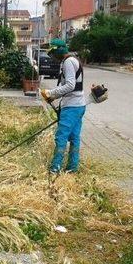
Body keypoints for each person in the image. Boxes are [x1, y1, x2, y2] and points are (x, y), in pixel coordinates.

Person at [40, 39, 88, 174]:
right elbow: (71, 86)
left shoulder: (68, 62)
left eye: (53, 53)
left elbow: (70, 85)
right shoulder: (74, 59)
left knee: (61, 137)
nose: (53, 57)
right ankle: (72, 168)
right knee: (74, 138)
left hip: (72, 107)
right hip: (79, 105)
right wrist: (54, 97)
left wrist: (51, 93)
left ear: (59, 51)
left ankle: (55, 167)